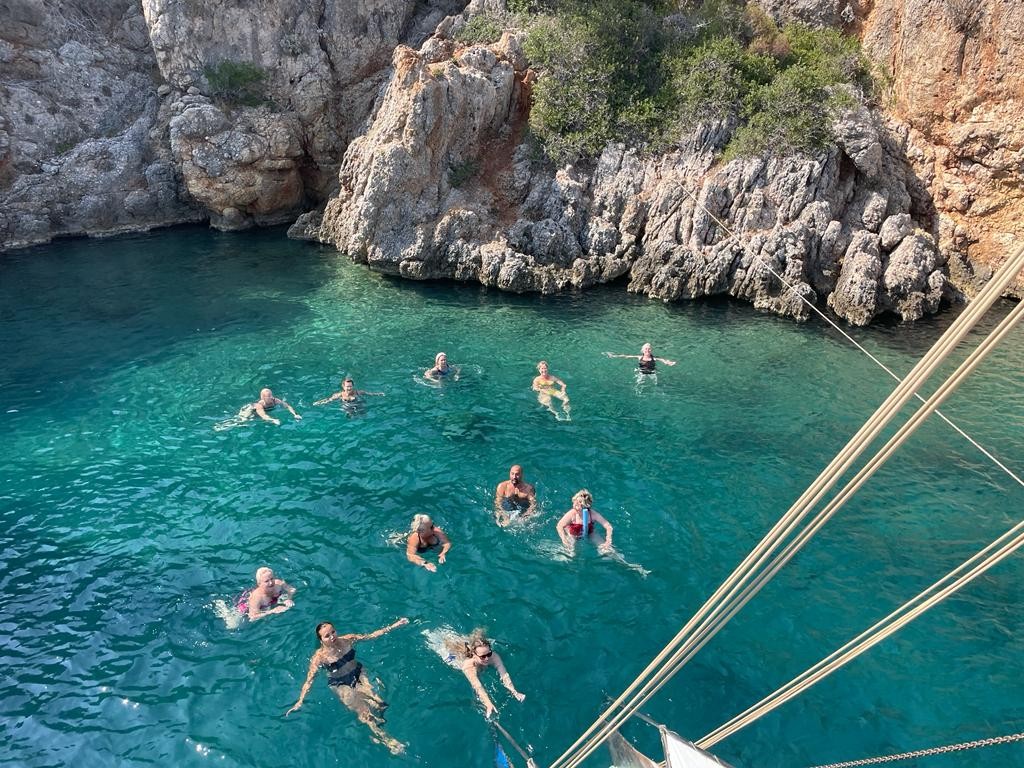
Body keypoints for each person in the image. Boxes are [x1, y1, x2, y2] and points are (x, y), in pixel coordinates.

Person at [286, 618, 410, 754]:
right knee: (365, 713)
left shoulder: (348, 639)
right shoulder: (320, 657)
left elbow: (371, 636)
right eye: (327, 636)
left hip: (358, 673)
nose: (332, 636)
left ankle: (383, 728)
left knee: (379, 703)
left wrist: (394, 625)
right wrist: (300, 700)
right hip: (341, 683)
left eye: (333, 632)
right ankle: (389, 741)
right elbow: (309, 680)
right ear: (321, 640)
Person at [447, 629, 525, 718]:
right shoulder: (468, 666)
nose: (487, 658)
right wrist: (488, 703)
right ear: (474, 655)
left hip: (474, 654)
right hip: (455, 653)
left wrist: (514, 692)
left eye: (488, 654)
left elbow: (504, 674)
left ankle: (477, 631)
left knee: (480, 631)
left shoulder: (493, 656)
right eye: (483, 656)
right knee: (452, 647)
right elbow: (477, 686)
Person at [556, 489, 613, 554]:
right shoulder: (572, 513)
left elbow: (608, 526)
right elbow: (559, 526)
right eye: (575, 504)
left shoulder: (593, 514)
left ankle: (616, 557)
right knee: (569, 551)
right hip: (572, 534)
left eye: (579, 505)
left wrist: (608, 540)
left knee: (606, 549)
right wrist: (564, 540)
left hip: (590, 533)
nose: (575, 507)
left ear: (586, 507)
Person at [604, 343, 676, 374]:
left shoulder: (655, 358)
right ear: (643, 350)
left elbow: (663, 360)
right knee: (639, 385)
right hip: (641, 372)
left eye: (649, 349)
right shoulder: (640, 357)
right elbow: (626, 356)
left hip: (652, 373)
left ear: (651, 350)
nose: (647, 350)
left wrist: (669, 363)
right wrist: (614, 356)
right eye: (646, 349)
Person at [314, 377, 384, 406]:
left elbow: (370, 394)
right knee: (349, 414)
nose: (349, 388)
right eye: (347, 386)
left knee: (363, 414)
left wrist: (379, 394)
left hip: (358, 405)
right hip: (347, 407)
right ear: (343, 387)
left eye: (350, 386)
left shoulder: (358, 392)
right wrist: (319, 402)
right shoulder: (339, 395)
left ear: (353, 386)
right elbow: (329, 400)